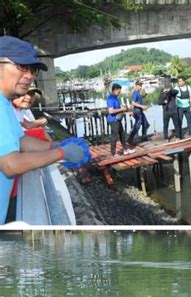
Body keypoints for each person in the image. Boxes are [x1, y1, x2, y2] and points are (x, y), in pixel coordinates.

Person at [0, 35, 87, 225]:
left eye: (32, 70)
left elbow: (22, 140)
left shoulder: (5, 103)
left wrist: (56, 144)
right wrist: (61, 152)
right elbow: (11, 164)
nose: (29, 75)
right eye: (22, 67)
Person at [107, 83, 135, 156]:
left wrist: (122, 108)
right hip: (113, 120)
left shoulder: (116, 97)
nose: (119, 93)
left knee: (122, 134)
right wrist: (121, 109)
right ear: (114, 90)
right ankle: (113, 153)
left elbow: (117, 108)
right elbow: (111, 111)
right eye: (118, 91)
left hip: (118, 119)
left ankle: (125, 149)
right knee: (114, 136)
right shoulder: (110, 98)